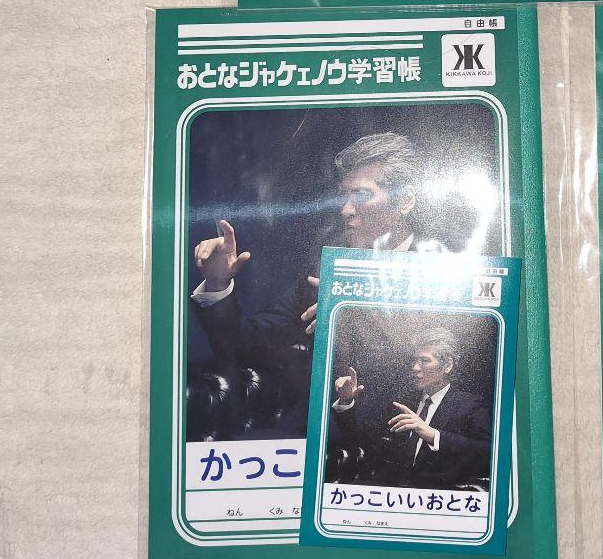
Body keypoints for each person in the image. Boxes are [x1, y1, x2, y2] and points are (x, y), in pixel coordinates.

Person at [190, 133, 426, 375]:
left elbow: (438, 365)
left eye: (363, 195)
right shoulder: (324, 274)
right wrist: (217, 284)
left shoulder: (442, 269)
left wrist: (353, 314)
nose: (346, 210)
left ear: (405, 201)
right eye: (344, 196)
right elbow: (243, 347)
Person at [331, 327, 492, 488]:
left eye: (425, 360)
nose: (415, 368)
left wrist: (433, 435)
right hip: (388, 492)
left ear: (447, 365)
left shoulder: (470, 405)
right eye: (415, 361)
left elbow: (487, 453)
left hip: (435, 496)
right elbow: (363, 440)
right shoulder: (403, 402)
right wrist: (346, 401)